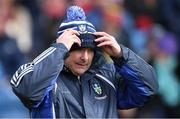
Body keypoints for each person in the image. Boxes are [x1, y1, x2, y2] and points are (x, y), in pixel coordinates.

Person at [10, 6, 158, 118]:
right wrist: (59, 49)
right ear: (64, 46)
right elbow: (26, 90)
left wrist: (122, 54)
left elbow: (148, 88)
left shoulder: (107, 75)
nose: (85, 57)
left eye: (90, 50)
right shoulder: (46, 78)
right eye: (78, 49)